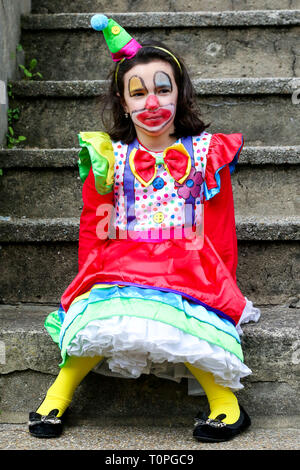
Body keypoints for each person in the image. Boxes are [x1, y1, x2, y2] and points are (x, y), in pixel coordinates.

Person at [28, 14, 260, 442]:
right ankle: (57, 394)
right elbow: (95, 224)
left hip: (188, 259)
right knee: (102, 310)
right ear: (122, 101)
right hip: (123, 257)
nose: (151, 103)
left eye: (162, 89)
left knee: (185, 316)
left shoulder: (208, 153)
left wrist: (223, 279)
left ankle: (227, 405)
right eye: (138, 93)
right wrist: (87, 276)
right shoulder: (108, 158)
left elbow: (221, 225)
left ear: (180, 94)